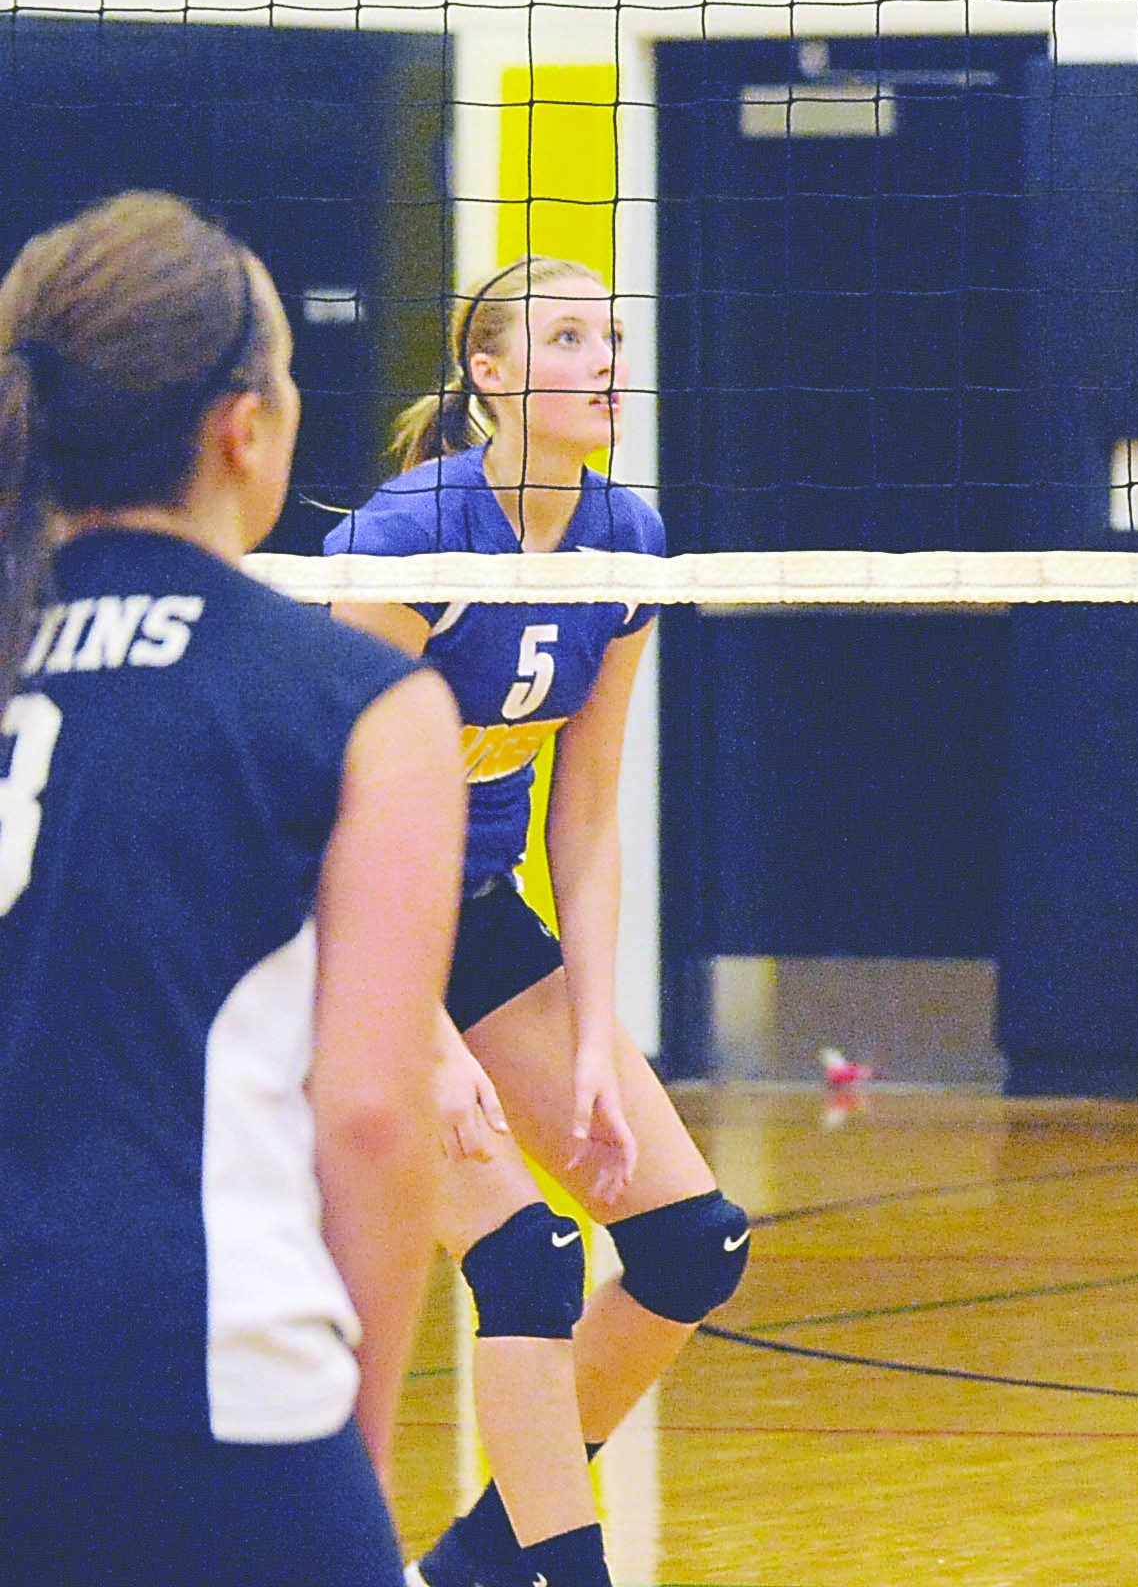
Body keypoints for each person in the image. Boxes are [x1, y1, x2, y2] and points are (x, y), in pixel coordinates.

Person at [0, 191, 465, 1586]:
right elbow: (377, 1120)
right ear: (241, 428)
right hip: (202, 1370)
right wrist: (357, 1441)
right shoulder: (358, 702)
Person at [326, 256, 746, 1587]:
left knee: (693, 1241)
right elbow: (319, 797)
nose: (605, 358)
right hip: (329, 921)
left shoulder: (628, 540)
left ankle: (481, 1563)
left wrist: (590, 1030)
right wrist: (422, 1041)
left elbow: (587, 815)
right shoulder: (411, 538)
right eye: (568, 337)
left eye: (613, 334)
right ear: (491, 377)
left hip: (477, 915)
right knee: (525, 1252)